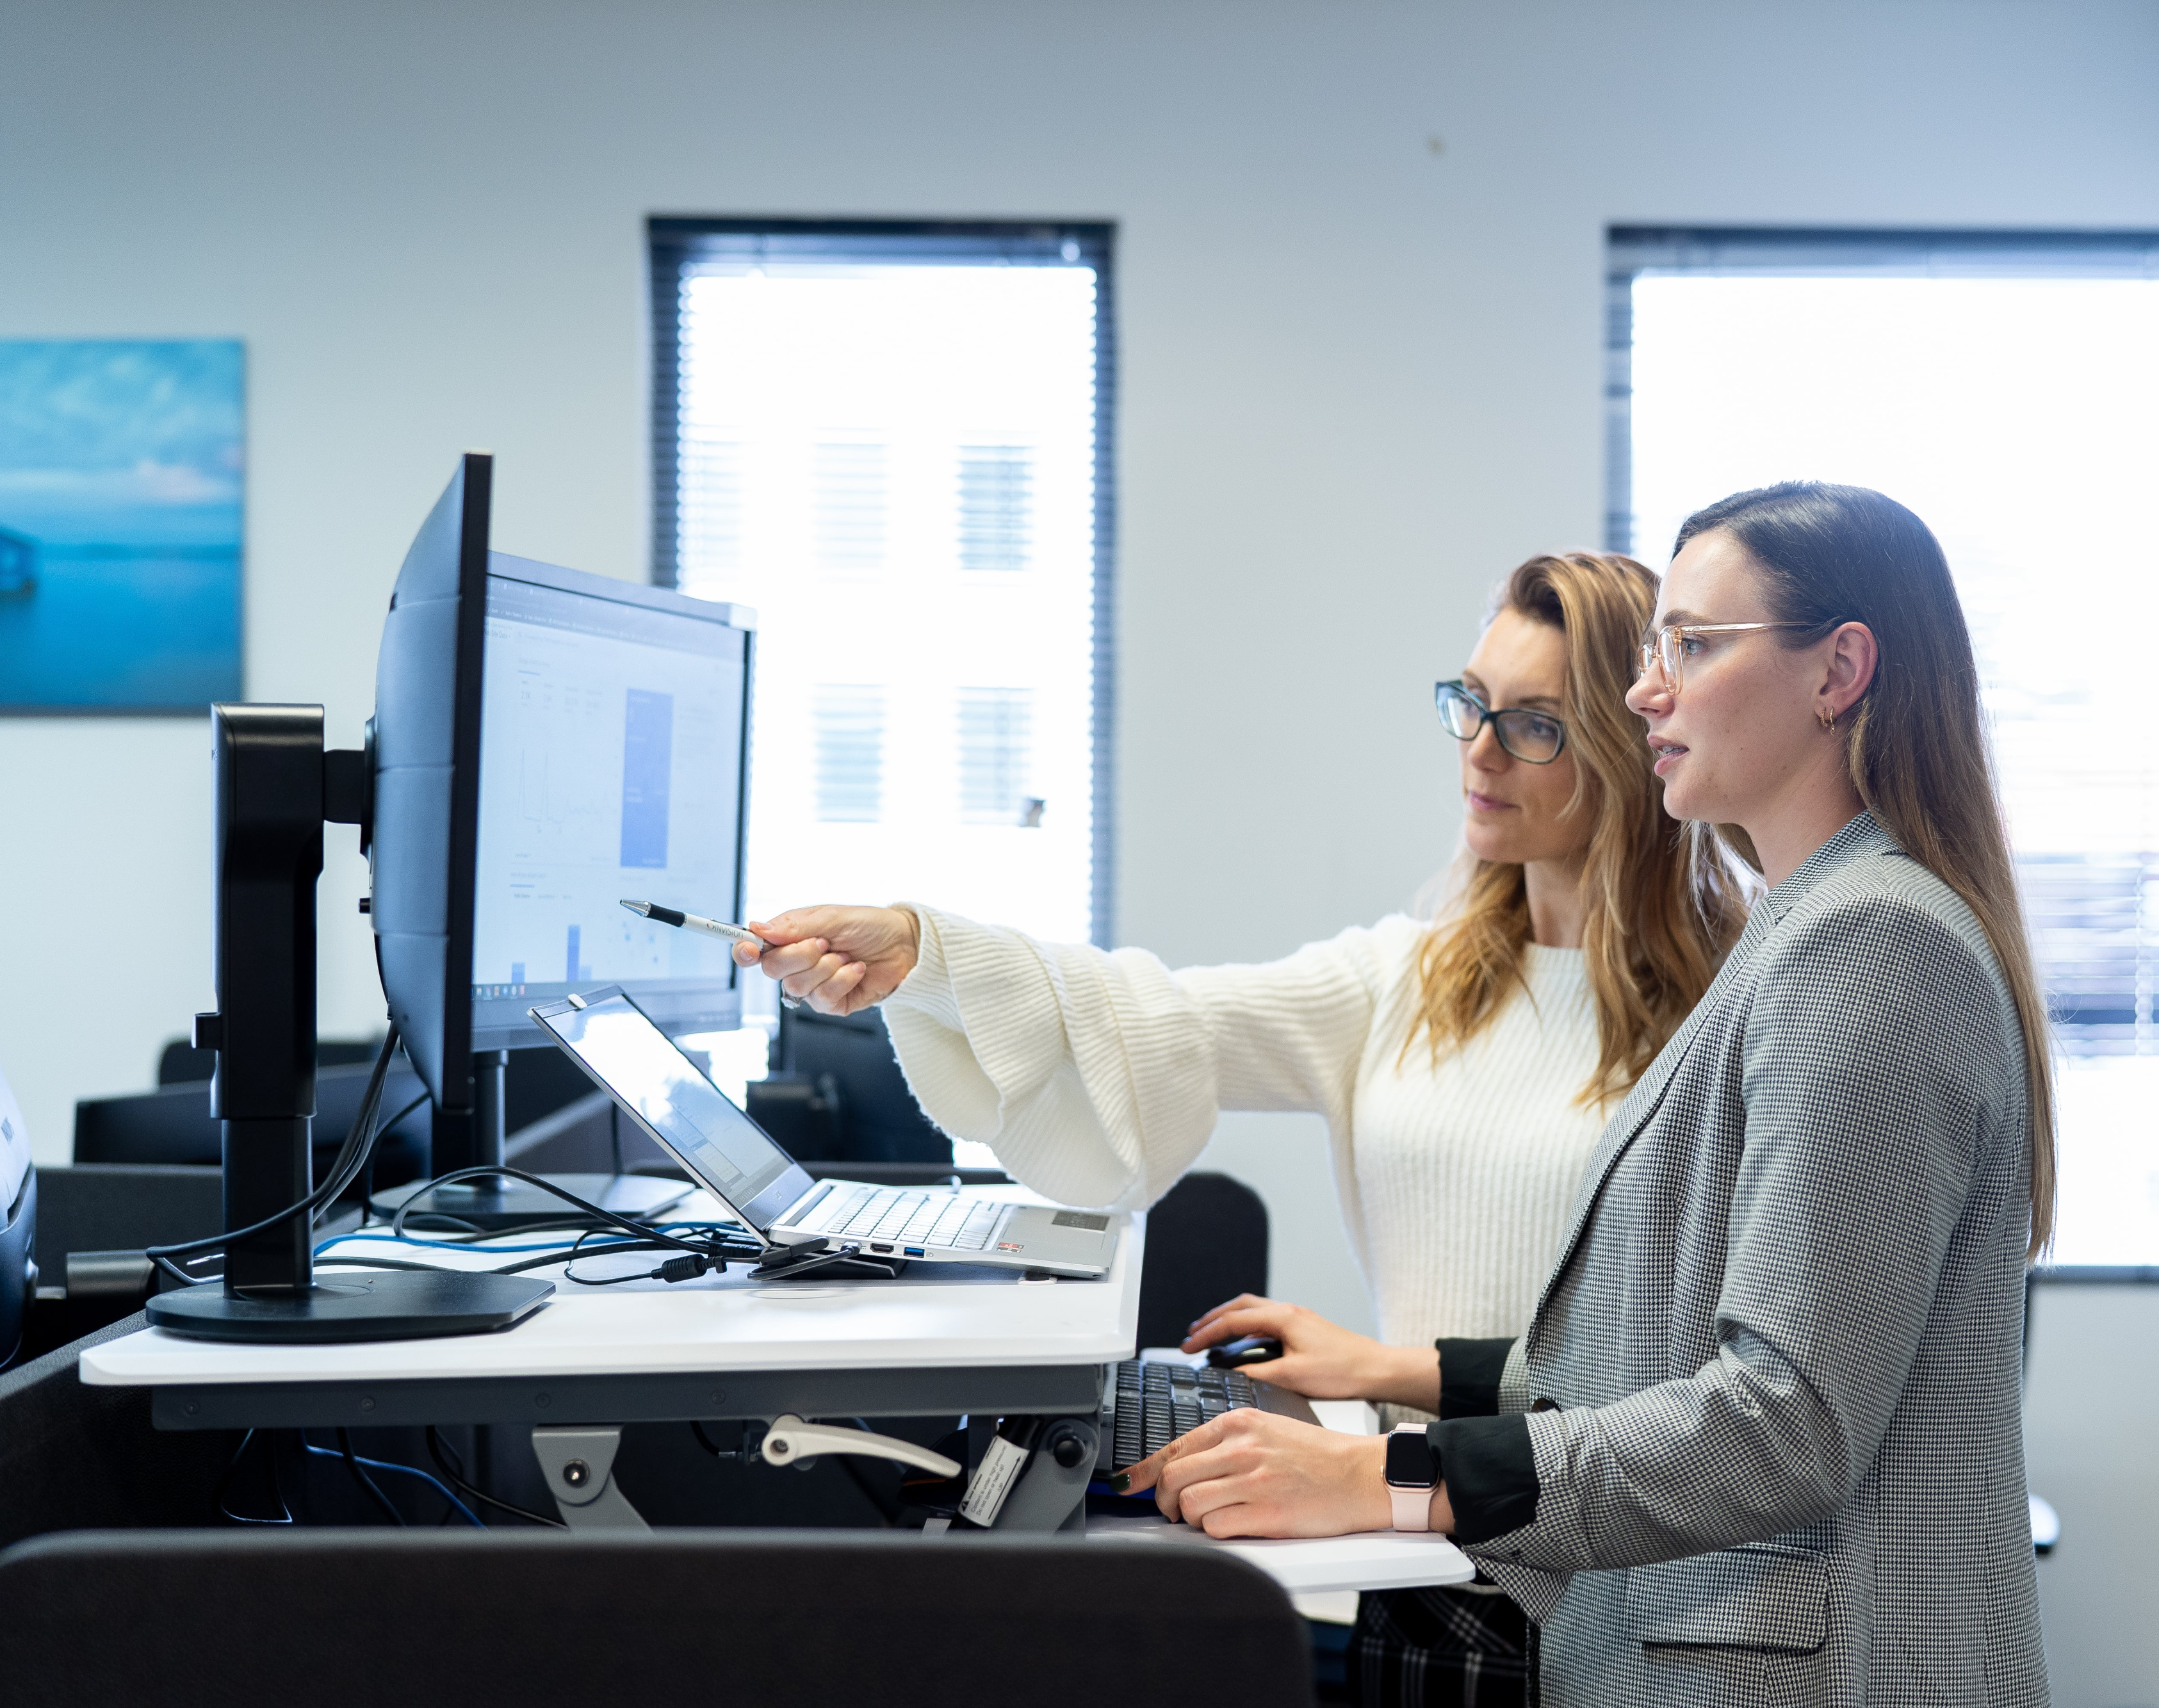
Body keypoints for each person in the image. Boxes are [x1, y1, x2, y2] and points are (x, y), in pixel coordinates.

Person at [738, 551, 1753, 1705]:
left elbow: (1693, 1388)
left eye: (1533, 727)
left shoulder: (1729, 1008)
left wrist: (1384, 1369)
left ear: (1634, 752)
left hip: (1620, 1596)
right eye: (1469, 703)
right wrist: (929, 952)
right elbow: (1157, 1015)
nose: (1476, 748)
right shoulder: (1411, 981)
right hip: (1421, 1557)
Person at [1121, 482, 2055, 1708]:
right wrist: (1400, 1372)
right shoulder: (1810, 923)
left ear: (1839, 670)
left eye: (1695, 645)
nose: (1645, 689)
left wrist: (1390, 1476)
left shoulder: (1870, 940)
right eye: (1657, 644)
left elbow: (1784, 1425)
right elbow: (1645, 1361)